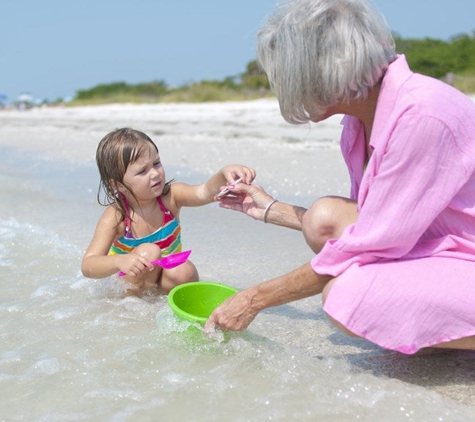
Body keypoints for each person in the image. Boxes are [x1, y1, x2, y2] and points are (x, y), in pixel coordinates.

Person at [206, 0, 475, 354]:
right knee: (325, 219)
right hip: (450, 242)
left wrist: (254, 298)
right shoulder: (358, 120)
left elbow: (371, 245)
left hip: (463, 252)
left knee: (347, 296)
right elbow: (373, 225)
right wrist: (269, 208)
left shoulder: (421, 115)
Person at [82, 128, 255, 295]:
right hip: (131, 285)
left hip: (165, 280)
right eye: (142, 171)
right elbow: (89, 264)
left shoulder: (170, 197)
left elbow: (203, 192)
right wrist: (119, 261)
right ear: (118, 185)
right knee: (149, 252)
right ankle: (134, 307)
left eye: (156, 163)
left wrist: (224, 175)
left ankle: (174, 303)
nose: (155, 174)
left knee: (184, 269)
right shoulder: (117, 216)